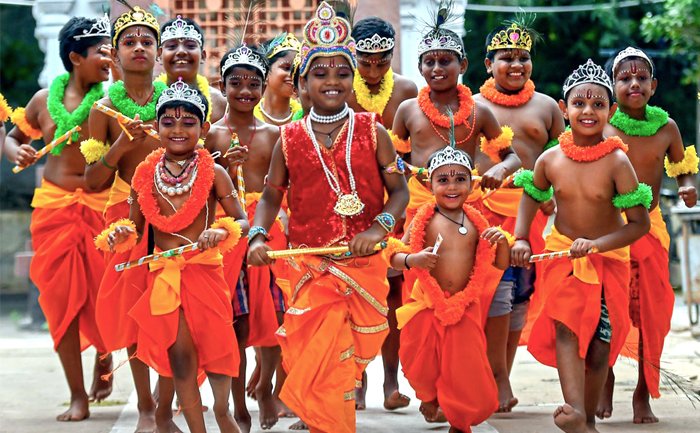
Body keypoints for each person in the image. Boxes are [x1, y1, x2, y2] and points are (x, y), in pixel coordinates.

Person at [246, 3, 409, 432]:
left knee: (351, 350)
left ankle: (327, 415)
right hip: (310, 263)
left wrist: (378, 228)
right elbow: (271, 194)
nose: (332, 81)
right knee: (319, 346)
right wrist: (258, 235)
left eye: (341, 73)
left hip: (363, 263)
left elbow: (399, 193)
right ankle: (327, 419)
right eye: (320, 74)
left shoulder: (374, 130)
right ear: (302, 83)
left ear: (353, 78)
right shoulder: (288, 137)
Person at [511, 59, 651, 433]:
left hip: (607, 260)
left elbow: (639, 224)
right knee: (566, 329)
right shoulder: (549, 159)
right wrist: (521, 236)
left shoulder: (617, 161)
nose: (588, 111)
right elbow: (532, 194)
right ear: (564, 108)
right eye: (579, 103)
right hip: (564, 257)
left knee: (601, 344)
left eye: (598, 104)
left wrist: (597, 244)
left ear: (612, 111)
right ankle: (573, 409)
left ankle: (586, 419)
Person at [104, 79, 249, 433]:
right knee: (180, 358)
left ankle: (223, 411)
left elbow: (243, 221)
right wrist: (120, 233)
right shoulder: (144, 174)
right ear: (156, 127)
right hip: (165, 276)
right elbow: (134, 228)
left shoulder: (214, 172)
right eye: (168, 122)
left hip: (205, 272)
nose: (178, 130)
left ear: (205, 128)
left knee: (217, 348)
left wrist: (222, 231)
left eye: (188, 122)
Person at [3, 16, 114, 421]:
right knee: (60, 302)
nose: (110, 57)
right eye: (102, 51)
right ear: (75, 57)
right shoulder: (42, 100)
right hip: (54, 210)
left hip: (102, 208)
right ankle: (77, 395)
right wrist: (16, 151)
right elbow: (13, 136)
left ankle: (105, 356)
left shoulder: (112, 101)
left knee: (106, 297)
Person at [597, 47, 698, 424]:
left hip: (650, 227)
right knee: (607, 307)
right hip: (609, 228)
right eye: (624, 78)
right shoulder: (602, 124)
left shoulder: (667, 127)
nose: (634, 84)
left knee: (650, 313)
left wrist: (687, 186)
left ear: (653, 85)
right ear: (612, 86)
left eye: (641, 78)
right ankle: (604, 376)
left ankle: (643, 390)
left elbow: (682, 166)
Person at [78, 8, 167, 432]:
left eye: (147, 41)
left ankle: (167, 401)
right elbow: (92, 180)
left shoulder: (174, 100)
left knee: (171, 305)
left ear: (158, 53)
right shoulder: (103, 109)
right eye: (129, 42)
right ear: (115, 55)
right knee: (133, 311)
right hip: (125, 217)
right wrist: (121, 146)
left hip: (172, 209)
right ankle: (146, 407)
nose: (138, 48)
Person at [473, 17, 565, 413]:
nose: (516, 65)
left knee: (519, 297)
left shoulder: (547, 106)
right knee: (489, 295)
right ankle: (491, 376)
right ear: (488, 64)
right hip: (482, 213)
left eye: (523, 57)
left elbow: (566, 157)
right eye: (506, 58)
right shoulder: (471, 106)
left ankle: (502, 374)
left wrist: (554, 199)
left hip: (530, 214)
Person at [391, 143, 510, 433]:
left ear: (472, 184)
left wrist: (504, 243)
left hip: (464, 308)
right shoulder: (423, 219)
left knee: (464, 369)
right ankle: (430, 397)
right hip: (427, 306)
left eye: (460, 179)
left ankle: (459, 421)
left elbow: (499, 265)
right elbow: (395, 256)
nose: (452, 187)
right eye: (443, 180)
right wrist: (412, 259)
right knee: (420, 364)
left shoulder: (477, 222)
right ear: (429, 185)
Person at [205, 42, 281, 432]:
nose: (245, 91)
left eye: (254, 84)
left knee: (275, 314)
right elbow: (201, 184)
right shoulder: (211, 135)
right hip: (229, 232)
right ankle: (238, 404)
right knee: (235, 320)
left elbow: (282, 185)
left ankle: (266, 385)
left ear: (265, 87)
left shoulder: (274, 134)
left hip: (268, 231)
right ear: (223, 86)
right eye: (236, 83)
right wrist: (219, 165)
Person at [348, 15, 418, 412]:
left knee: (391, 293)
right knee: (352, 289)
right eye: (366, 62)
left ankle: (392, 379)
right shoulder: (342, 88)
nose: (374, 72)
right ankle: (358, 379)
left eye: (382, 61)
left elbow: (411, 147)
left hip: (395, 199)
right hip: (350, 202)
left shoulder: (406, 90)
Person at [156, 16, 226, 123]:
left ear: (203, 56)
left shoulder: (221, 103)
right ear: (159, 56)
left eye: (190, 46)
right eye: (172, 46)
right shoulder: (147, 101)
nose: (181, 52)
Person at [255, 32, 303, 125]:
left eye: (297, 70)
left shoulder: (305, 117)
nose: (293, 74)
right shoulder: (247, 115)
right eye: (286, 68)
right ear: (266, 71)